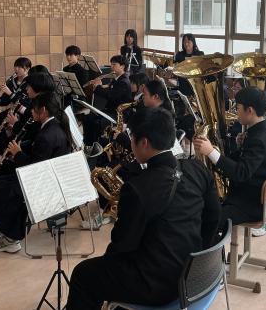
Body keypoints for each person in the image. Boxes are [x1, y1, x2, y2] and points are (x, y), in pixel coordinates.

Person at [67, 107, 221, 309]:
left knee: (83, 274)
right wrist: (197, 257)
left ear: (144, 143)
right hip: (194, 273)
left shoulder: (137, 188)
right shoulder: (197, 168)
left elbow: (122, 245)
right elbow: (214, 217)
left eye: (132, 138)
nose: (131, 143)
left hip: (159, 286)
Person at [0, 92, 73, 253]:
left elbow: (35, 168)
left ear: (43, 111)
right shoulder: (54, 125)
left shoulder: (47, 135)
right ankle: (3, 228)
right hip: (48, 177)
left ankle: (12, 238)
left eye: (33, 109)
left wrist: (17, 153)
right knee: (2, 181)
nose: (31, 111)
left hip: (45, 184)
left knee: (1, 191)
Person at [193, 87, 266, 229]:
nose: (236, 112)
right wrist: (238, 146)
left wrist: (211, 151)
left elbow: (241, 173)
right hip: (248, 194)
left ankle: (211, 243)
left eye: (238, 108)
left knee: (206, 220)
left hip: (251, 204)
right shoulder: (258, 130)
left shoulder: (258, 139)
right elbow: (245, 160)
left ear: (250, 110)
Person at [83, 55, 132, 147]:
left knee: (96, 123)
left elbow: (110, 95)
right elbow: (110, 89)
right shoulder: (117, 79)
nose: (111, 67)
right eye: (111, 64)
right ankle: (88, 144)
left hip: (119, 114)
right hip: (110, 110)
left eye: (114, 64)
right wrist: (98, 85)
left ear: (122, 66)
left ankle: (96, 146)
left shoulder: (124, 82)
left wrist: (98, 87)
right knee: (88, 118)